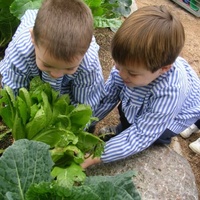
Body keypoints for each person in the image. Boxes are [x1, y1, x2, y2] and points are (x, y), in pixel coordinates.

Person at [81, 5, 200, 168]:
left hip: (178, 113)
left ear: (164, 69)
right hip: (141, 94)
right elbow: (107, 98)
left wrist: (96, 156)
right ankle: (121, 130)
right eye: (117, 64)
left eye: (131, 72)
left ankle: (123, 133)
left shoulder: (170, 90)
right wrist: (84, 124)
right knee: (125, 110)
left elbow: (142, 134)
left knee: (157, 135)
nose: (121, 74)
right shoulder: (130, 70)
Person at [0, 0, 105, 117]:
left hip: (66, 88)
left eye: (69, 68)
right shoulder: (21, 50)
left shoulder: (88, 63)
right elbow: (13, 89)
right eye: (47, 65)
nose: (56, 74)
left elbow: (86, 104)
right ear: (33, 38)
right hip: (31, 72)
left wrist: (71, 126)